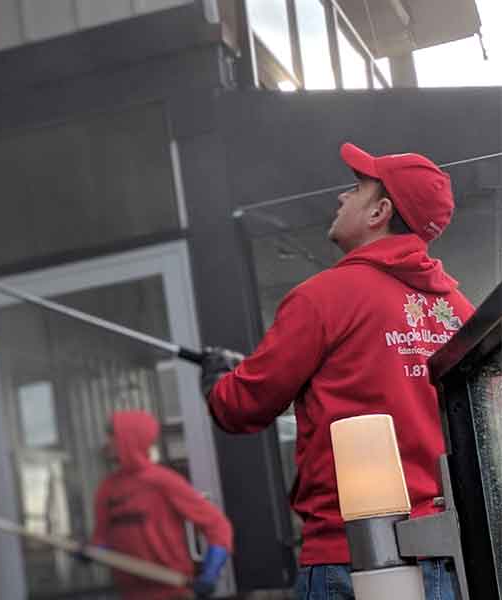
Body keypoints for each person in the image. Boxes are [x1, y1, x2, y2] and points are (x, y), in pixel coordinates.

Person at [198, 143, 474, 600]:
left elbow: (242, 406)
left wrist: (217, 381)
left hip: (351, 560)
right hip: (449, 558)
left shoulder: (324, 298)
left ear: (379, 212)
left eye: (357, 188)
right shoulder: (458, 311)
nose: (342, 198)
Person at [88, 409, 233, 600]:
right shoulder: (107, 489)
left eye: (112, 435)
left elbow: (217, 526)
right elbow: (102, 538)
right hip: (130, 595)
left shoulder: (163, 482)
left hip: (173, 592)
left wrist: (210, 572)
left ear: (129, 439)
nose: (107, 442)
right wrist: (92, 552)